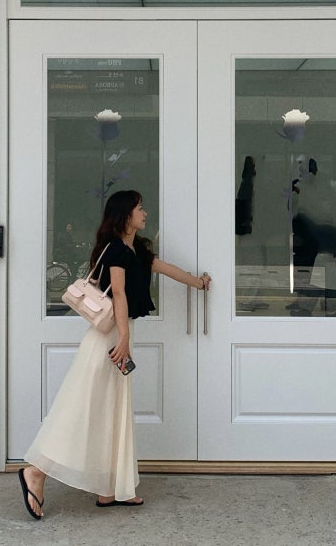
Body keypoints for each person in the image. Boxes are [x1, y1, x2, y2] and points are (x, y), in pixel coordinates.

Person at [18, 189, 211, 519]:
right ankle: (36, 471)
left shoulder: (136, 249)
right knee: (81, 409)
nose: (145, 213)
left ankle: (111, 488)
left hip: (116, 336)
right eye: (140, 208)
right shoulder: (116, 250)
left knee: (111, 412)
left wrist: (198, 282)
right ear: (125, 215)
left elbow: (166, 268)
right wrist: (123, 337)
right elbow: (118, 293)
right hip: (106, 340)